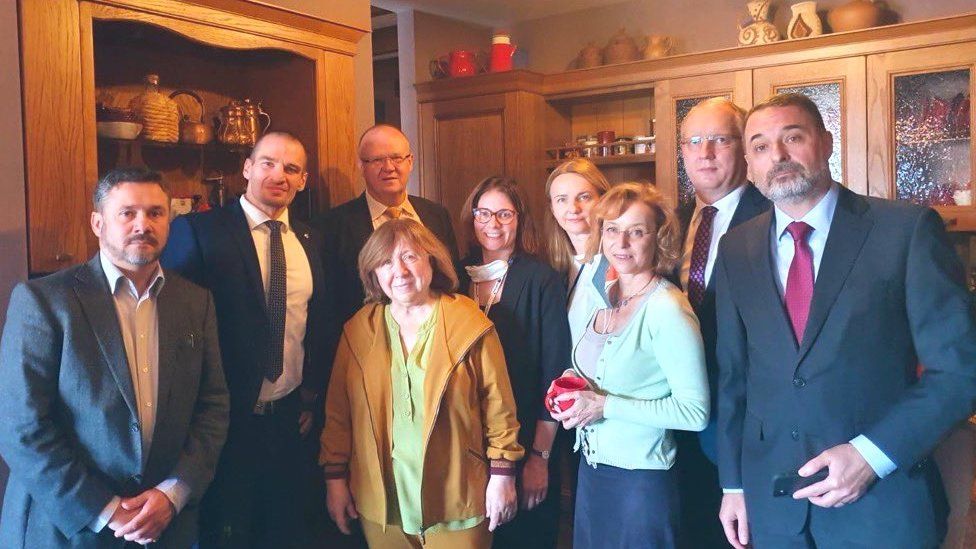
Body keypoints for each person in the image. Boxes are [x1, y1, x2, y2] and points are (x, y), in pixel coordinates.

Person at [714, 93, 976, 549]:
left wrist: (871, 456)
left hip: (882, 504)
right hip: (773, 507)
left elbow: (959, 372)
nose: (777, 156)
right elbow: (735, 377)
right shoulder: (736, 248)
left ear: (826, 142)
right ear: (750, 166)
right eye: (759, 146)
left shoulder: (905, 230)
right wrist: (733, 485)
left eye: (792, 137)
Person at [0, 167, 229, 547]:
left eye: (156, 213)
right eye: (128, 213)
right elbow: (21, 427)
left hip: (165, 524)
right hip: (69, 527)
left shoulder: (194, 301)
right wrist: (105, 509)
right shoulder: (44, 302)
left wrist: (174, 493)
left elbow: (213, 406)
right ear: (97, 222)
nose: (143, 224)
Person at [161, 131, 334, 548]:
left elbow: (318, 325)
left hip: (290, 420)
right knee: (226, 534)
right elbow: (171, 327)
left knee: (283, 531)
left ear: (303, 180)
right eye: (268, 163)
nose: (279, 175)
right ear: (247, 168)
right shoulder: (198, 231)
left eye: (291, 168)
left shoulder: (312, 241)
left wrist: (310, 395)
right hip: (222, 423)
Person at [321, 218, 522, 548]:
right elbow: (339, 414)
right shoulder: (358, 330)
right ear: (373, 273)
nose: (398, 271)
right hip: (382, 502)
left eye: (410, 256)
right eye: (385, 262)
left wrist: (503, 475)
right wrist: (335, 479)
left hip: (458, 498)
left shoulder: (470, 322)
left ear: (432, 259)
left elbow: (499, 406)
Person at [550, 182, 709, 549]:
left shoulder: (667, 308)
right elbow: (604, 372)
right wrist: (570, 383)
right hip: (592, 474)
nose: (621, 244)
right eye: (612, 230)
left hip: (641, 483)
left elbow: (694, 412)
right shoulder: (610, 295)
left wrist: (603, 405)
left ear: (659, 238)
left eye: (636, 232)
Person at [673, 97, 770, 548]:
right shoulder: (667, 223)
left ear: (744, 149)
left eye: (719, 140)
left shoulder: (774, 219)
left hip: (743, 427)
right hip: (671, 423)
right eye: (694, 141)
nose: (705, 152)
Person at [459, 176, 571, 548]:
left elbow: (554, 372)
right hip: (466, 442)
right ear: (471, 218)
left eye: (504, 214)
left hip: (525, 438)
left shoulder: (541, 278)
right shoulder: (453, 276)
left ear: (520, 219)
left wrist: (539, 457)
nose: (493, 223)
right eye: (484, 213)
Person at [319, 124, 459, 324]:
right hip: (366, 342)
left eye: (396, 158)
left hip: (436, 334)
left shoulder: (437, 215)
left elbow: (452, 282)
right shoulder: (332, 227)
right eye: (377, 160)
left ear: (410, 162)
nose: (389, 167)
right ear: (362, 166)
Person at [544, 159, 613, 343]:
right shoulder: (553, 270)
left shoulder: (619, 264)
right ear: (552, 208)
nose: (573, 209)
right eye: (561, 200)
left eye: (584, 197)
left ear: (603, 200)